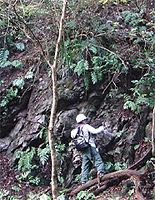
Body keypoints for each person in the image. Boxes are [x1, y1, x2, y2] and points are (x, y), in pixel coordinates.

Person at [71, 113, 105, 184]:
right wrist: (103, 128)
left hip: (83, 148)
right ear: (82, 120)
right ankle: (101, 174)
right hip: (89, 146)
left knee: (85, 164)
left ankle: (83, 181)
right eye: (85, 120)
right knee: (97, 160)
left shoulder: (74, 130)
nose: (85, 121)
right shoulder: (85, 127)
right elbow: (95, 131)